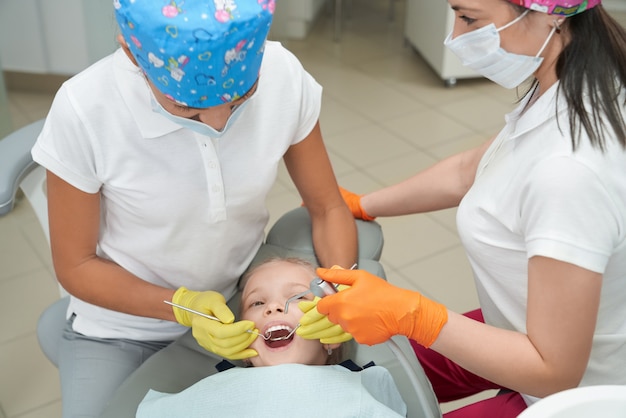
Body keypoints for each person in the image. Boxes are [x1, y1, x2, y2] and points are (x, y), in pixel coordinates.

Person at [297, 0, 626, 417]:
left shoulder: (569, 171)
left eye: (470, 18)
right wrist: (364, 205)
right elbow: (474, 170)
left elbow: (554, 369)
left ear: (552, 14)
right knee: (375, 368)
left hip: (572, 389)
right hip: (529, 325)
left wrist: (414, 315)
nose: (455, 36)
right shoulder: (573, 80)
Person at [32, 1, 357, 416]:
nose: (219, 122)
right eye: (188, 108)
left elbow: (328, 207)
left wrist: (339, 291)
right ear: (133, 52)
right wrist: (183, 306)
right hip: (120, 327)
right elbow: (75, 265)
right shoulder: (84, 110)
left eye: (242, 96)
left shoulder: (281, 73)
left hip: (239, 306)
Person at [135, 258, 407, 417]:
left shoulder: (360, 388)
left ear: (331, 334)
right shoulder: (215, 388)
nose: (273, 307)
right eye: (256, 303)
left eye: (297, 297)